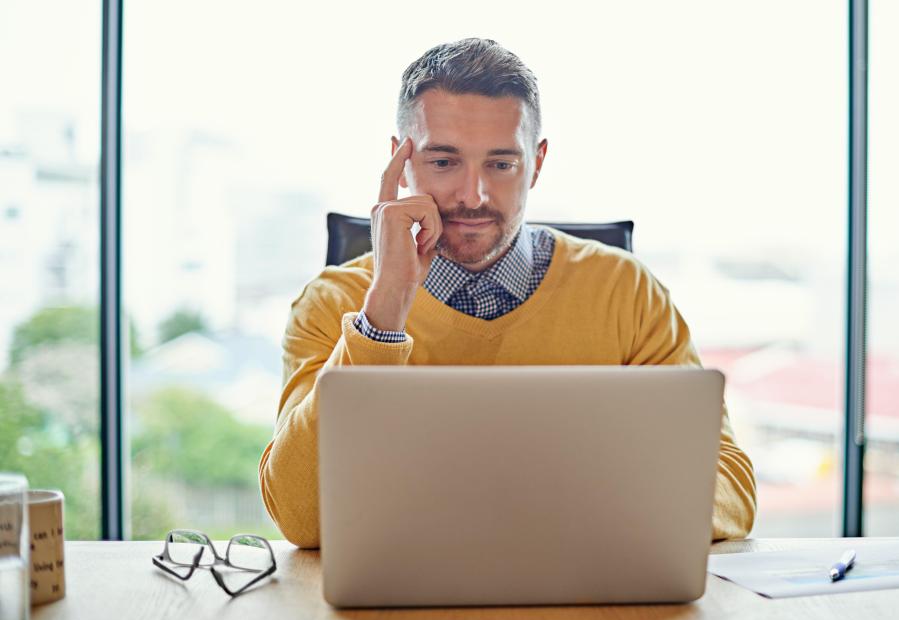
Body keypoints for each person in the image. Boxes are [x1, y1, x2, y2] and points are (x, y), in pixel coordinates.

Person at [259, 37, 756, 549]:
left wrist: (561, 510)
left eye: (501, 164)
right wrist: (383, 312)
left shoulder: (626, 292)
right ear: (400, 161)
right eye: (444, 161)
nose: (473, 196)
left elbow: (731, 490)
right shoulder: (331, 303)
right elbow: (303, 520)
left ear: (536, 163)